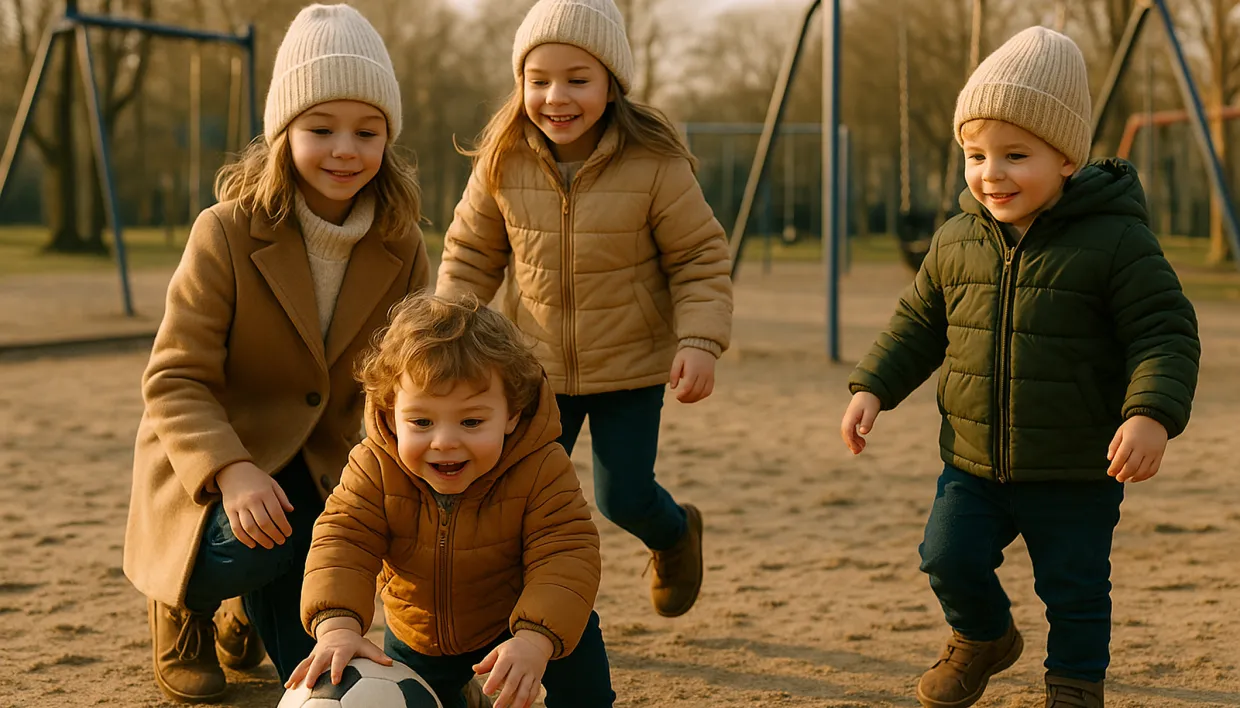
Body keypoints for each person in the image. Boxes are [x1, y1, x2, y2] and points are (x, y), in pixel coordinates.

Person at [838, 26, 1200, 708]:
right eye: (975, 155)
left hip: (1077, 465)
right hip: (973, 462)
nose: (990, 174)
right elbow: (918, 323)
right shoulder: (956, 241)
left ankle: (1073, 686)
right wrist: (873, 387)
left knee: (1077, 586)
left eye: (1014, 154)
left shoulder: (1118, 241)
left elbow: (1165, 332)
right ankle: (983, 637)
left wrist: (1150, 414)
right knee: (946, 556)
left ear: (1066, 158)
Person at [123, 3, 430, 701]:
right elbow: (175, 378)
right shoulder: (225, 232)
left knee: (314, 665)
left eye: (367, 131)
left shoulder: (403, 244)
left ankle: (251, 608)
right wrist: (230, 470)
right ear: (283, 134)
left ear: (389, 138)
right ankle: (184, 604)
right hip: (220, 467)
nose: (344, 150)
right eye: (320, 129)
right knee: (253, 541)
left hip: (326, 474)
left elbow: (407, 380)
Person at [436, 0, 733, 619]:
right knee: (514, 497)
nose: (555, 97)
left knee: (621, 497)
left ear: (611, 84)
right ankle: (516, 620)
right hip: (530, 368)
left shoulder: (654, 162)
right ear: (520, 84)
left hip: (630, 366)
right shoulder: (503, 157)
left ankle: (675, 534)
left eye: (577, 79)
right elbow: (470, 255)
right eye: (538, 80)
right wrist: (447, 335)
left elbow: (699, 257)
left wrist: (700, 342)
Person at [287, 292, 615, 708]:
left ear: (512, 414)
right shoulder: (373, 465)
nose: (444, 441)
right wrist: (337, 625)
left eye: (472, 421)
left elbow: (566, 553)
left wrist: (535, 640)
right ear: (389, 414)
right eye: (421, 421)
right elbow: (343, 541)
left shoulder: (541, 464)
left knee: (585, 686)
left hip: (519, 623)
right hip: (421, 633)